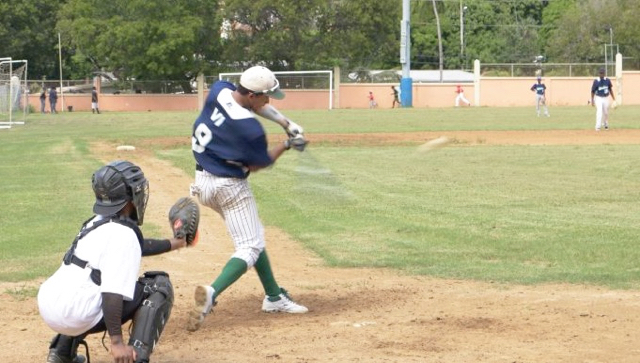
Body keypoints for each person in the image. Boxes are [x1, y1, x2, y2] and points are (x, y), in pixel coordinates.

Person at [187, 65, 309, 332]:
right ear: (253, 95)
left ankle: (274, 296)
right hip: (229, 187)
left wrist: (285, 123)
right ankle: (211, 292)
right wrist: (288, 144)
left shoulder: (219, 90)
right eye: (266, 96)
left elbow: (253, 105)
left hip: (202, 181)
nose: (269, 101)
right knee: (249, 247)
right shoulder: (250, 130)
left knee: (251, 234)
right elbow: (259, 163)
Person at [38, 160, 186, 363]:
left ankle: (61, 353)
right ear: (129, 200)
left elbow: (139, 245)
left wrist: (175, 243)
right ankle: (136, 358)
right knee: (158, 286)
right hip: (77, 314)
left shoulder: (97, 221)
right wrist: (116, 342)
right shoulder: (123, 235)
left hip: (51, 305)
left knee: (87, 286)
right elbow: (112, 294)